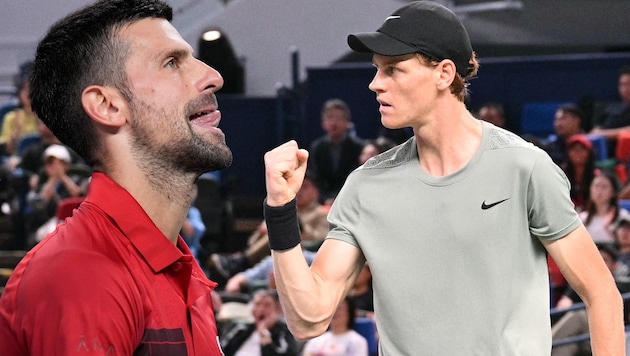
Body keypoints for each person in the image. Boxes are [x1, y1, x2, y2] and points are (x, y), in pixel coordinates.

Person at [261, 2, 624, 354]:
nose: (375, 84)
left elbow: (601, 292)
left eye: (392, 69)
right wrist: (280, 209)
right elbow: (308, 319)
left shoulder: (524, 167)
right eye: (376, 69)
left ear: (444, 73)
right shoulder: (365, 186)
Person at [0, 0, 232, 354]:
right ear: (107, 106)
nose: (212, 76)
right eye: (171, 63)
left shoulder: (179, 270)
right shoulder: (82, 276)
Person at [209, 170, 328, 279]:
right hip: (268, 253)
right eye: (299, 186)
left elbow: (319, 238)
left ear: (315, 192)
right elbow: (251, 242)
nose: (300, 190)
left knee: (282, 230)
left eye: (305, 186)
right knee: (278, 227)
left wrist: (299, 225)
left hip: (299, 251)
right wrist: (262, 233)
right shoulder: (284, 211)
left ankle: (241, 262)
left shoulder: (321, 213)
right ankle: (240, 262)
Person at [551, 243, 630, 356]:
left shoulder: (620, 289)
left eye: (605, 260)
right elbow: (562, 306)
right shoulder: (580, 284)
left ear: (614, 266)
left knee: (578, 316)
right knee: (567, 346)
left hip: (608, 338)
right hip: (583, 337)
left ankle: (543, 346)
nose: (600, 263)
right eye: (597, 259)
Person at [309, 98, 365, 204]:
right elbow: (316, 179)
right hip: (323, 202)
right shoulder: (317, 147)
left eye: (339, 118)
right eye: (330, 117)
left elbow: (356, 179)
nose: (334, 123)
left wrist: (338, 199)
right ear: (323, 123)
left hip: (351, 200)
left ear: (347, 123)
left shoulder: (358, 147)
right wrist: (325, 199)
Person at [218, 289, 299, 356]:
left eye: (267, 305)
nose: (261, 309)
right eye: (257, 304)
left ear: (278, 310)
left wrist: (264, 336)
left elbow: (290, 354)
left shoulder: (284, 331)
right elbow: (222, 350)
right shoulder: (242, 329)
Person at [302, 297, 369, 356]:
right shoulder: (316, 340)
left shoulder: (357, 341)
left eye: (340, 308)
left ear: (349, 313)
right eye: (333, 309)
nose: (335, 313)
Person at [0, 61, 39, 157]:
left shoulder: (48, 117)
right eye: (26, 90)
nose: (30, 94)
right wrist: (17, 130)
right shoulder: (11, 117)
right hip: (17, 159)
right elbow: (6, 149)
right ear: (19, 94)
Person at [580, 171, 627, 244]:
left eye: (604, 186)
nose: (599, 190)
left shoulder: (623, 217)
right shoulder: (582, 218)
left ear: (613, 192)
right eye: (596, 186)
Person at [561, 134, 597, 212]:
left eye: (581, 149)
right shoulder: (560, 176)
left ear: (589, 153)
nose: (577, 153)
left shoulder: (597, 176)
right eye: (573, 149)